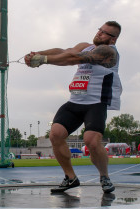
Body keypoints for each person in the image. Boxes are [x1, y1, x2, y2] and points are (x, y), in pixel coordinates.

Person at [24, 21, 122, 193]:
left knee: (91, 141)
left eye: (105, 33)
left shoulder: (109, 52)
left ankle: (104, 176)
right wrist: (37, 53)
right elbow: (65, 51)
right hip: (75, 102)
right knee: (55, 135)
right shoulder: (85, 46)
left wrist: (43, 60)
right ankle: (70, 177)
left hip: (96, 103)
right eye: (100, 29)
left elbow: (73, 59)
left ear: (113, 40)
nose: (100, 33)